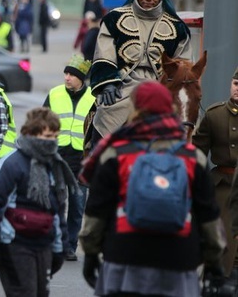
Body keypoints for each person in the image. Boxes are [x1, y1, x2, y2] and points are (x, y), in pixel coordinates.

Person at [79, 81, 225, 297]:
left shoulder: (115, 154)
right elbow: (209, 216)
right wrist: (214, 262)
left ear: (136, 109)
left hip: (124, 257)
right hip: (178, 260)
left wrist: (90, 253)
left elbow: (96, 210)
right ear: (170, 108)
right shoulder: (193, 158)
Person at [89, 0, 191, 141]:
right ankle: (99, 159)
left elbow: (183, 65)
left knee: (184, 124)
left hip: (160, 88)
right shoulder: (114, 19)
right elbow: (104, 53)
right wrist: (108, 84)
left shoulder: (177, 28)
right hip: (121, 87)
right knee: (103, 115)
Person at [0, 108, 73, 297]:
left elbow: (57, 209)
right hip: (15, 244)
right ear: (31, 133)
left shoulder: (54, 165)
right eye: (47, 136)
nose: (52, 142)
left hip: (43, 244)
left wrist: (60, 246)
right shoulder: (11, 164)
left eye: (55, 136)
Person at [42, 54, 95, 261]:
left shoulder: (93, 97)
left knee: (76, 207)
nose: (67, 78)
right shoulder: (55, 94)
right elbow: (42, 121)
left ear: (82, 78)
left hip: (81, 162)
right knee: (53, 204)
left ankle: (70, 246)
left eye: (72, 75)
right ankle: (55, 243)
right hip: (57, 158)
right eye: (66, 73)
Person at [193, 68, 238, 278]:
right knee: (221, 244)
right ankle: (216, 283)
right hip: (222, 188)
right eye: (236, 84)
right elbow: (198, 154)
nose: (237, 89)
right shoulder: (214, 115)